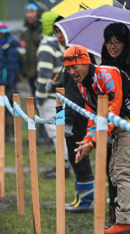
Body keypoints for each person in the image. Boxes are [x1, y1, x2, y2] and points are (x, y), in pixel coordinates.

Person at [66, 45, 130, 234]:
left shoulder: (107, 74)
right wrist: (87, 141)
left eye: (75, 66)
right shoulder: (83, 84)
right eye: (68, 68)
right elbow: (93, 116)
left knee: (121, 171)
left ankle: (125, 222)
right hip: (121, 124)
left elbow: (112, 110)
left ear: (86, 62)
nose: (71, 72)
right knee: (115, 170)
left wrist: (92, 143)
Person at [100, 23, 130, 232]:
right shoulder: (101, 67)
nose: (112, 46)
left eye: (117, 41)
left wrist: (122, 79)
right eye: (109, 41)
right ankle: (116, 211)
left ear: (125, 43)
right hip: (108, 125)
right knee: (111, 170)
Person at [54, 24, 95, 213]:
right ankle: (81, 197)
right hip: (71, 114)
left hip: (78, 116)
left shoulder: (81, 56)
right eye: (55, 32)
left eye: (61, 31)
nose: (58, 36)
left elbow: (76, 94)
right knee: (74, 157)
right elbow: (68, 87)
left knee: (79, 156)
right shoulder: (71, 55)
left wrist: (69, 118)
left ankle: (86, 200)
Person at [35, 12, 67, 179]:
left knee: (55, 133)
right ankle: (64, 164)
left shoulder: (47, 46)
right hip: (59, 96)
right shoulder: (60, 45)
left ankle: (63, 166)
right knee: (60, 132)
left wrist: (39, 97)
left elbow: (43, 75)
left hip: (49, 98)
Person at [0, 22, 23, 141]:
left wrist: (8, 84)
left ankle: (12, 135)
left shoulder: (11, 49)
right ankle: (3, 134)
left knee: (9, 112)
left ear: (1, 33)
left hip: (7, 86)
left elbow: (13, 68)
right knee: (1, 111)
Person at [21, 2, 42, 101]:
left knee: (43, 99)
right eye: (27, 12)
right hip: (30, 71)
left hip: (41, 70)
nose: (29, 15)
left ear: (38, 13)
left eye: (32, 12)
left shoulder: (41, 30)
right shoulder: (26, 32)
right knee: (34, 99)